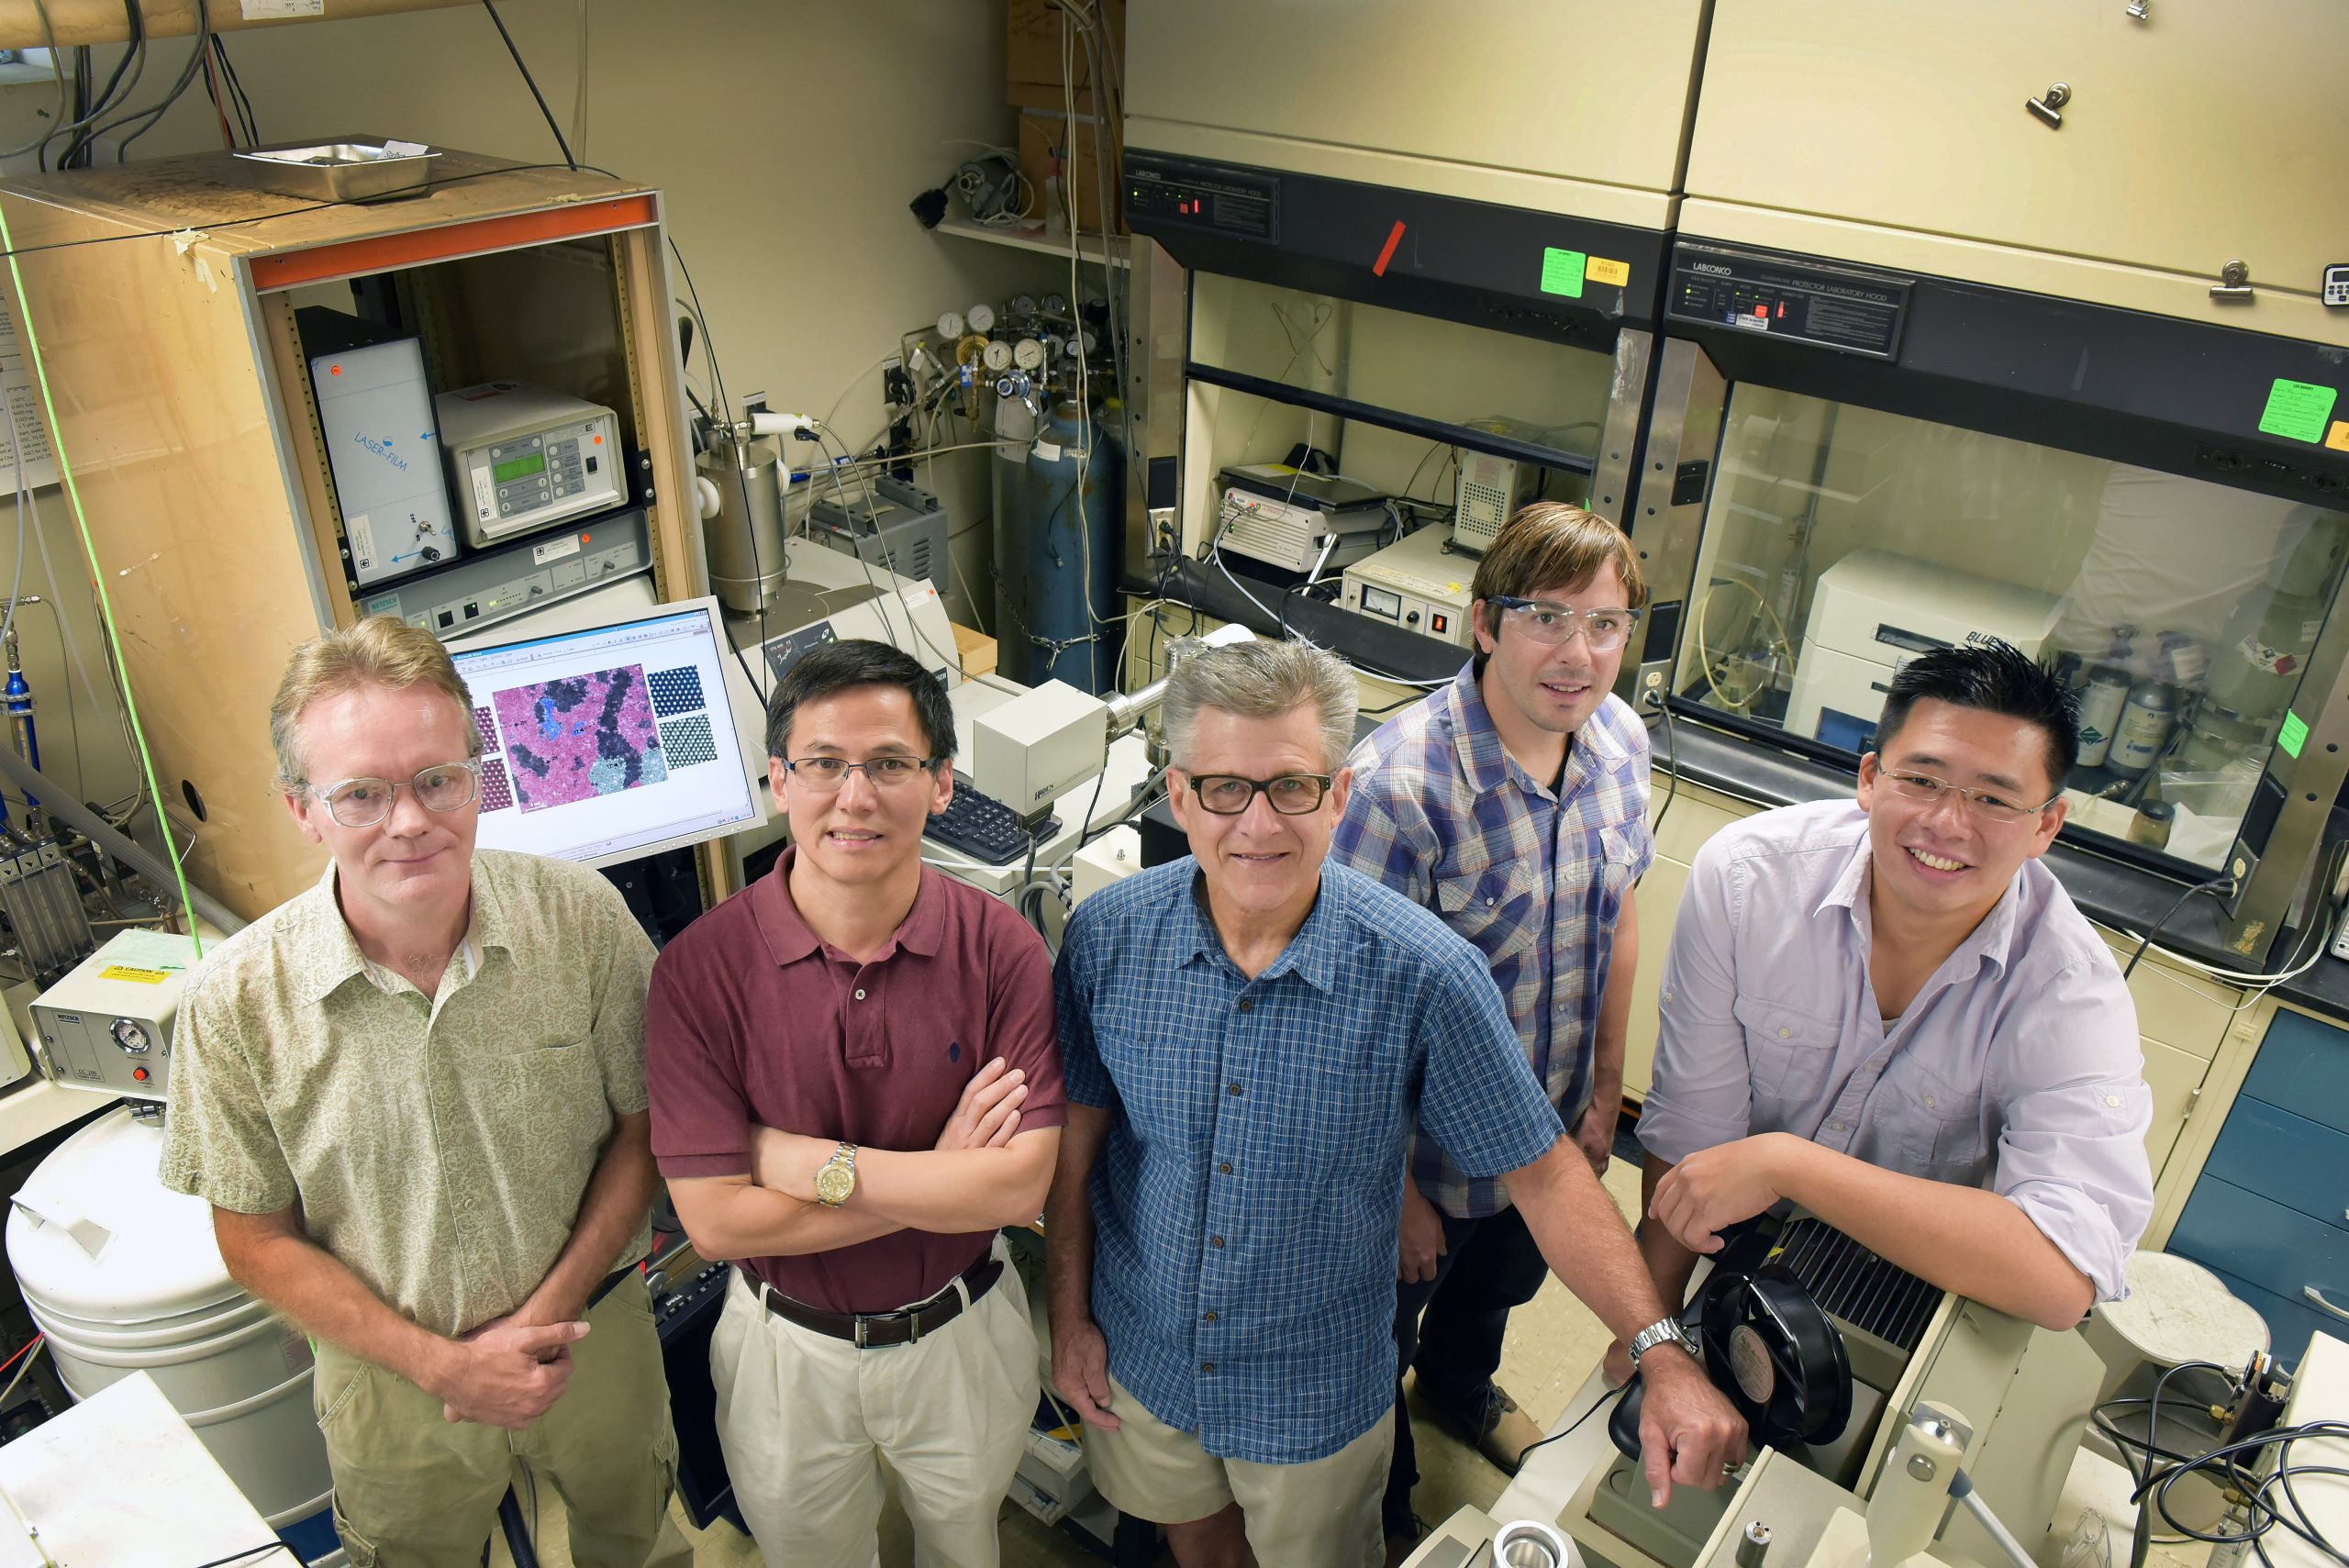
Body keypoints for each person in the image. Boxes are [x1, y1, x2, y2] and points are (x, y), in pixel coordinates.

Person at [1046, 639, 1743, 1568]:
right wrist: (1067, 1316)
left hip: (1312, 1388)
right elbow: (1076, 1149)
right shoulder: (1105, 936)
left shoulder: (1424, 973)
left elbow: (1542, 1175)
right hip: (1146, 1357)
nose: (1257, 822)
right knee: (1197, 1548)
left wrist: (1661, 1351)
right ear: (1178, 795)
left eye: (1292, 785)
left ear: (1339, 795)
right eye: (1224, 788)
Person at [161, 616, 685, 1567]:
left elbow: (642, 1129)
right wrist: (443, 1364)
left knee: (637, 1538)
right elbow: (254, 1238)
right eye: (361, 793)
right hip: (395, 1383)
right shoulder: (235, 1004)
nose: (410, 820)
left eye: (437, 779)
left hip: (590, 1332)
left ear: (478, 775)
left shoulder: (581, 920)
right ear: (301, 808)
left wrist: (542, 1314)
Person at [645, 639, 1064, 1568]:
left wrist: (797, 1162)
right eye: (824, 764)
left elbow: (1015, 1187)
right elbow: (715, 1223)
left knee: (965, 1545)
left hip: (960, 1331)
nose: (856, 794)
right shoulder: (699, 973)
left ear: (943, 782)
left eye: (889, 764)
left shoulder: (1003, 949)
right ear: (778, 780)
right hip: (784, 1351)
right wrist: (943, 1174)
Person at [1633, 639, 2155, 1343]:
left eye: (1995, 798)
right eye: (1923, 780)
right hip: (1736, 1236)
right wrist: (1652, 1337)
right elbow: (1693, 1141)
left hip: (1921, 1277)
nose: (1947, 823)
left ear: (2046, 826)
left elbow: (2060, 1276)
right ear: (1871, 778)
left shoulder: (2070, 994)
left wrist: (1790, 1165)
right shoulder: (1748, 880)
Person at [1331, 504, 1654, 1529]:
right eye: (1546, 618)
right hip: (1420, 1161)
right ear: (1483, 622)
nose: (1578, 653)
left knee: (1493, 1298)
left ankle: (1458, 1386)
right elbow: (1350, 1019)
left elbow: (1618, 914)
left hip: (1544, 1140)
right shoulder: (1399, 788)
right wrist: (1392, 1196)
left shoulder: (1619, 744)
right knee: (1369, 1347)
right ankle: (1381, 1500)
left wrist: (1604, 1092)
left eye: (1604, 624)